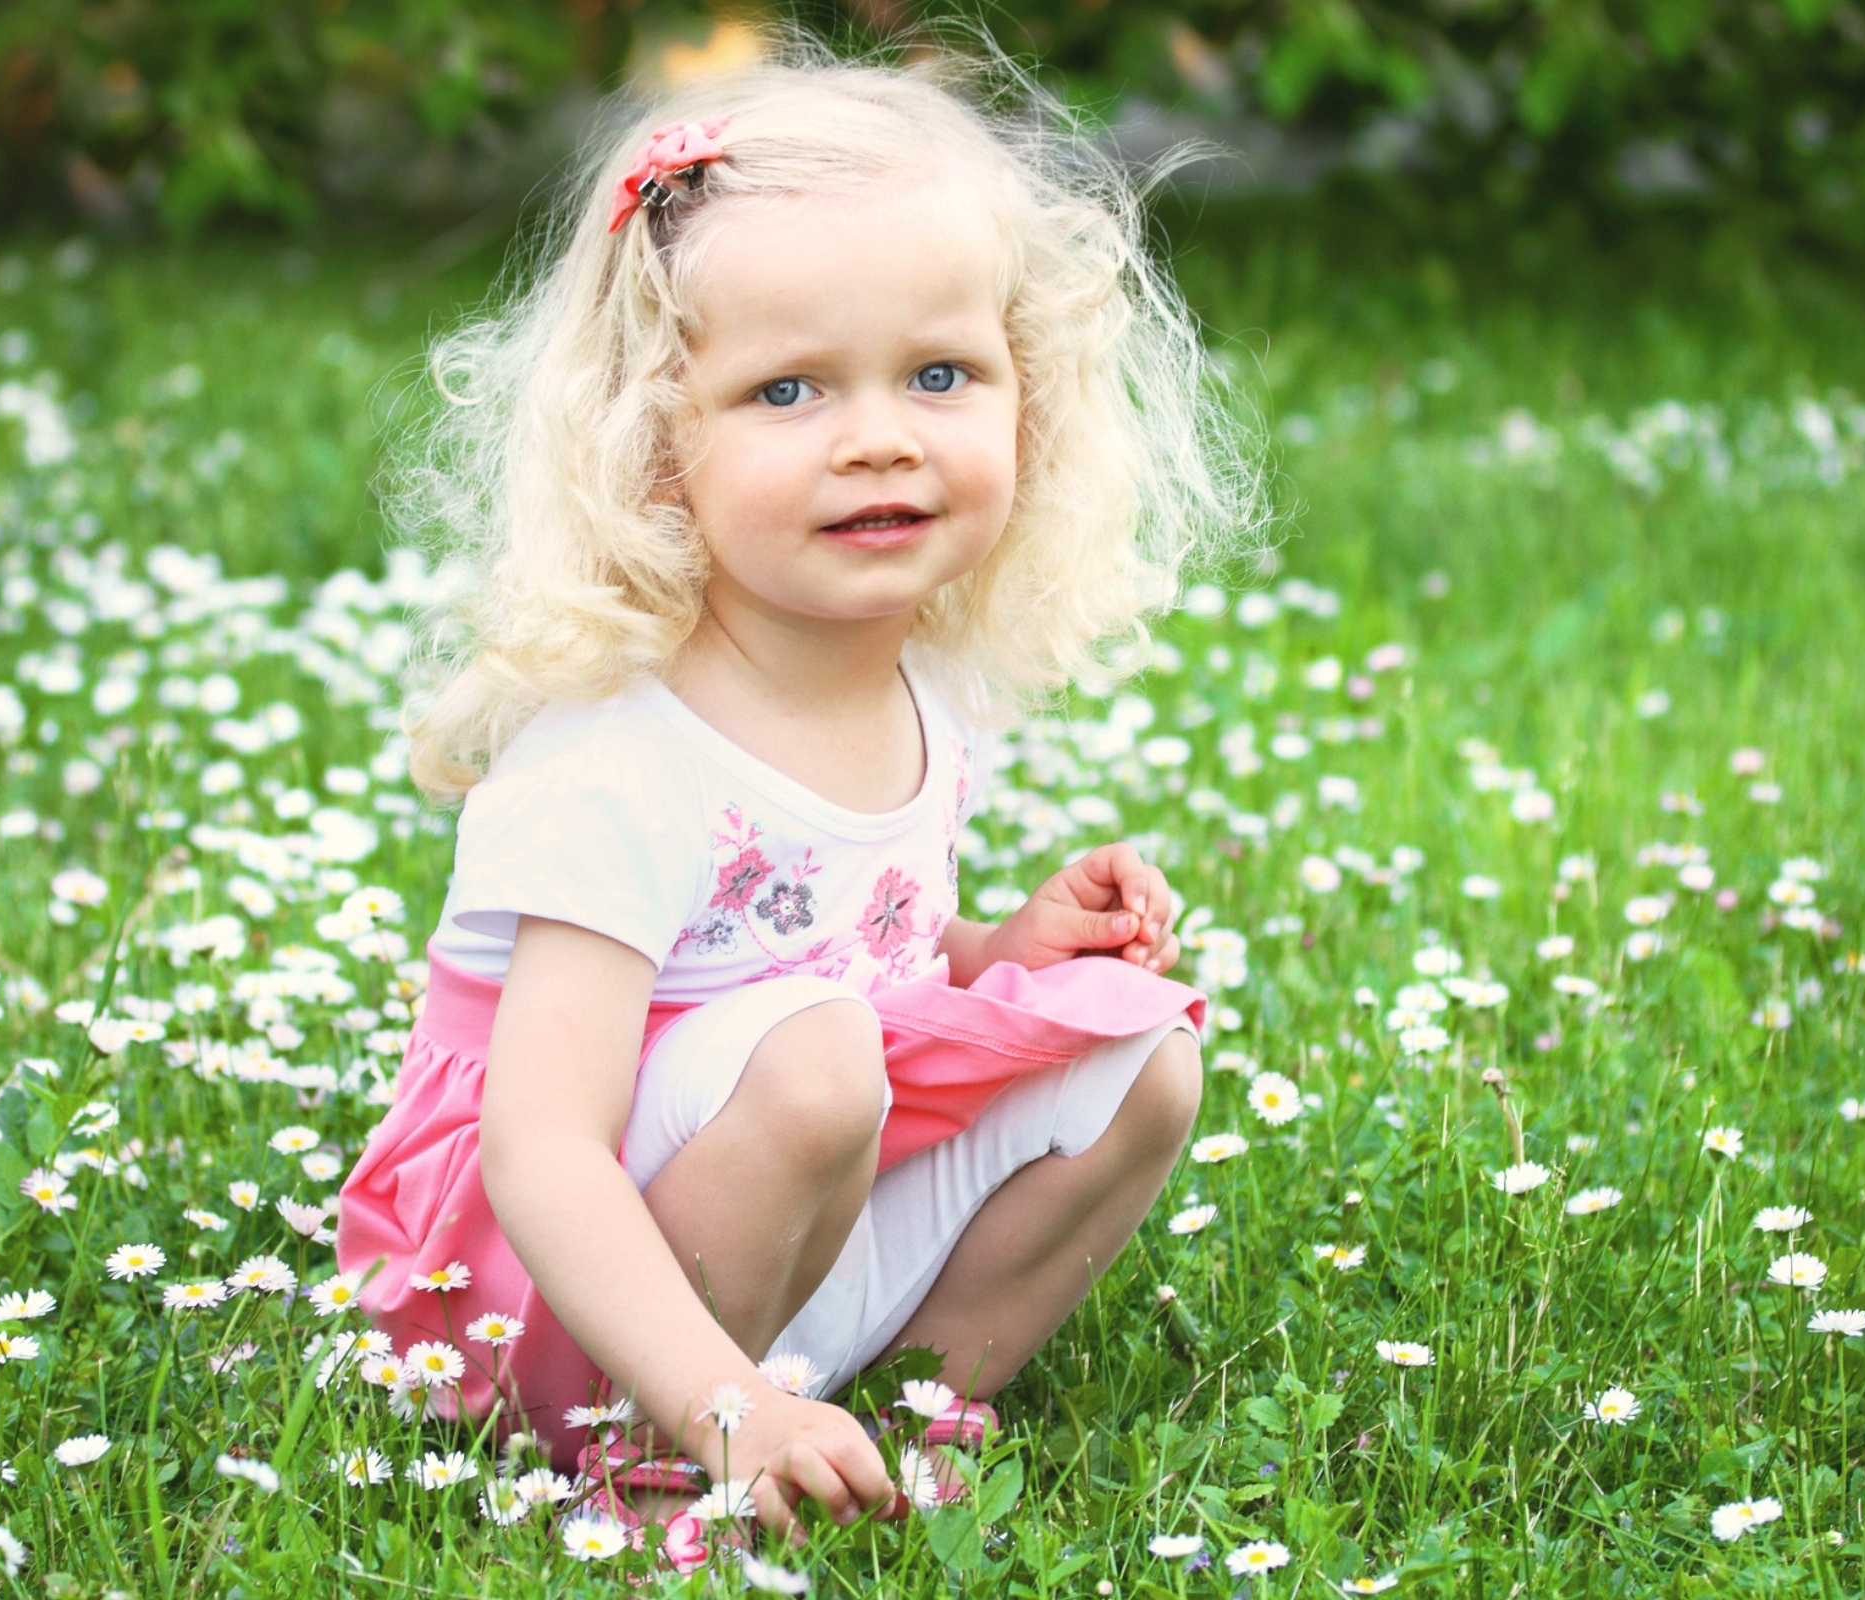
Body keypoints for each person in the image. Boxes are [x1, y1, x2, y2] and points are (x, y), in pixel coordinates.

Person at [335, 35, 1261, 1554]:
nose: (880, 435)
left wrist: (1002, 956)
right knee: (821, 1057)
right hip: (536, 1298)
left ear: (1032, 400)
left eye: (941, 375)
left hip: (784, 1198)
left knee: (1142, 1058)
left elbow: (854, 951)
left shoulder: (920, 689)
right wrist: (717, 1398)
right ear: (654, 445)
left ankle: (907, 1409)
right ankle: (665, 1451)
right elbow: (543, 1151)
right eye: (787, 390)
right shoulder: (618, 757)